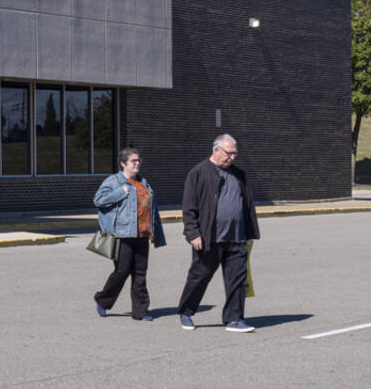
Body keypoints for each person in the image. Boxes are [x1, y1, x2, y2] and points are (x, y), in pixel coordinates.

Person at [176, 133, 260, 332]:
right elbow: (189, 207)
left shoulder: (239, 174)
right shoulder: (198, 173)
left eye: (235, 154)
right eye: (229, 153)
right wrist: (193, 233)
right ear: (216, 150)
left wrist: (249, 233)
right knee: (199, 276)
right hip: (209, 238)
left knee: (237, 281)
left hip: (236, 237)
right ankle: (186, 312)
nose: (232, 157)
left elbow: (247, 205)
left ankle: (234, 318)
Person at [92, 147, 167, 320]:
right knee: (122, 270)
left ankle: (141, 311)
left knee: (140, 273)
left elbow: (152, 209)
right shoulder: (114, 181)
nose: (137, 163)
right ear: (123, 163)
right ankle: (103, 300)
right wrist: (119, 193)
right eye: (134, 161)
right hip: (122, 235)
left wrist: (156, 233)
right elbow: (98, 200)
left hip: (141, 234)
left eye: (139, 160)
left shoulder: (143, 182)